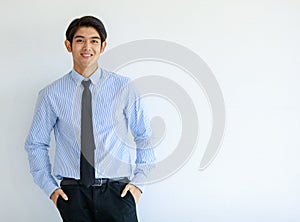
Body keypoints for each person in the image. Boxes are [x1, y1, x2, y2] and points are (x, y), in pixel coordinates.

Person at [25, 15, 155, 222]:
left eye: (94, 41)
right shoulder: (51, 94)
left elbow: (145, 136)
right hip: (73, 195)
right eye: (80, 40)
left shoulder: (124, 88)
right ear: (68, 45)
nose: (87, 46)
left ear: (103, 46)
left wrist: (138, 185)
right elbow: (36, 144)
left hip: (118, 193)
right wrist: (51, 189)